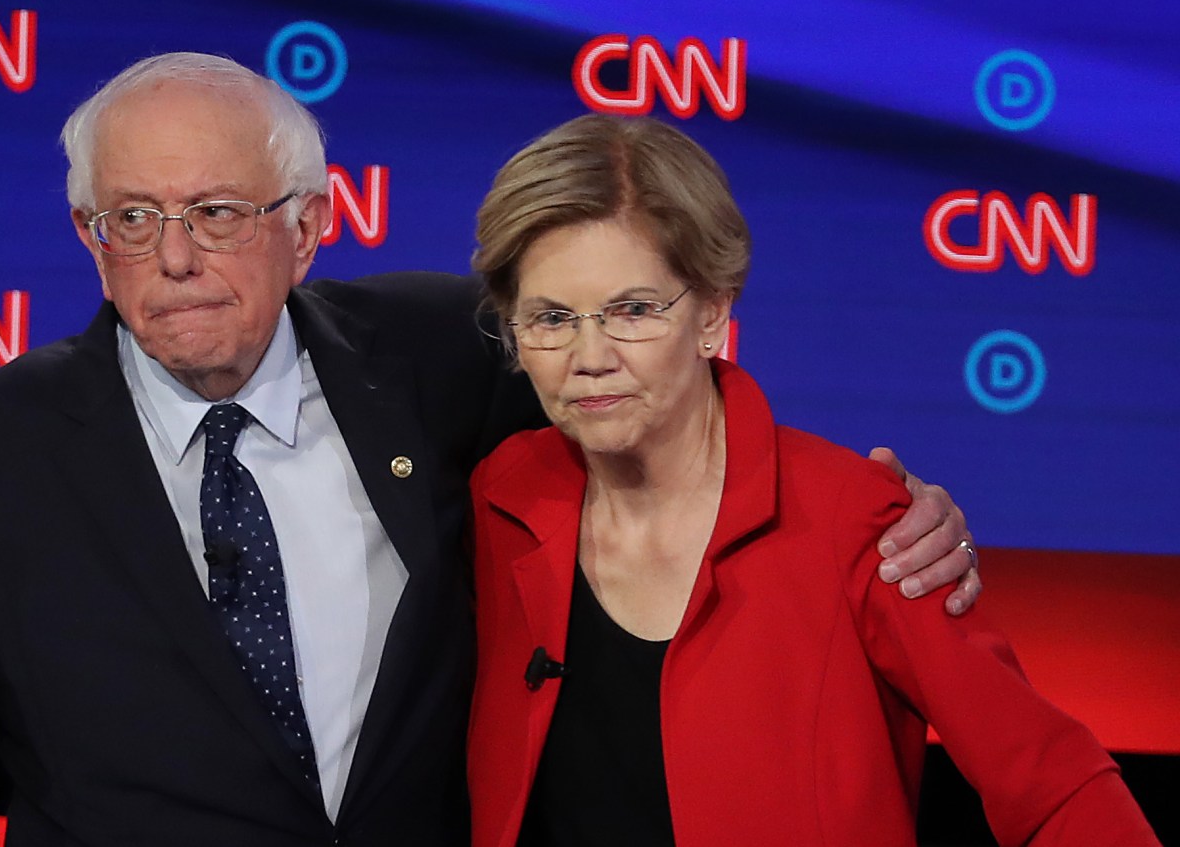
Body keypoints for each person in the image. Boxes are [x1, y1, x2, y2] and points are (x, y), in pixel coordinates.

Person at [0, 55, 975, 847]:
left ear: (311, 225)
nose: (174, 259)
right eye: (132, 219)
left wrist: (877, 505)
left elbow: (660, 413)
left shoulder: (448, 357)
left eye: (218, 214)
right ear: (89, 236)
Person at [465, 114, 1158, 846]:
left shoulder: (860, 522)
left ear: (713, 309)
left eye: (633, 309)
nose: (590, 353)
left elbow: (1053, 781)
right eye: (551, 318)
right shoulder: (492, 500)